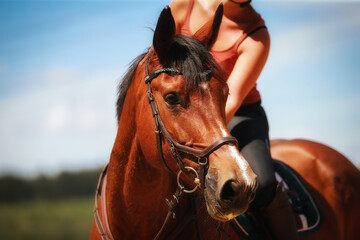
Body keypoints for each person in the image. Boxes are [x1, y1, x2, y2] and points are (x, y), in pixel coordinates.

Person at [169, 0, 299, 239]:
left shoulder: (256, 35)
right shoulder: (184, 6)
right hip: (184, 107)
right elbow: (159, 62)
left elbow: (234, 95)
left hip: (237, 112)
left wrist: (200, 132)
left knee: (263, 185)